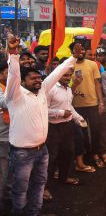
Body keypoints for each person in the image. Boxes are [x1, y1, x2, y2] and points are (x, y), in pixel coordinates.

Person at [5, 35, 80, 216]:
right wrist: (13, 54)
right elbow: (13, 75)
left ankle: (34, 212)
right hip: (22, 153)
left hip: (42, 150)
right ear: (22, 82)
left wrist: (73, 57)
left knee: (39, 184)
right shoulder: (15, 96)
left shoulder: (42, 91)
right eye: (33, 79)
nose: (38, 81)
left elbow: (57, 73)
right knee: (20, 189)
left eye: (39, 78)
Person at [46, 68, 88, 198]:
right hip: (53, 127)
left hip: (67, 126)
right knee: (51, 157)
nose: (68, 77)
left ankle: (64, 178)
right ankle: (44, 187)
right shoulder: (50, 89)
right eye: (65, 75)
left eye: (69, 75)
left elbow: (69, 108)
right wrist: (60, 113)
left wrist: (78, 118)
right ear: (58, 75)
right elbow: (42, 110)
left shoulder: (68, 89)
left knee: (68, 153)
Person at [70, 42, 106, 169]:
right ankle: (83, 155)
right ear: (72, 51)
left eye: (82, 50)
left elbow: (97, 84)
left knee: (95, 129)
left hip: (92, 103)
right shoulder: (68, 65)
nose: (80, 52)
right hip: (75, 105)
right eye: (77, 50)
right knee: (81, 132)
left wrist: (101, 102)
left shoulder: (92, 64)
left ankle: (95, 154)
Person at [0, 61, 9, 211]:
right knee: (3, 173)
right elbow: (5, 102)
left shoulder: (6, 87)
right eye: (9, 73)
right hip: (2, 137)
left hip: (9, 135)